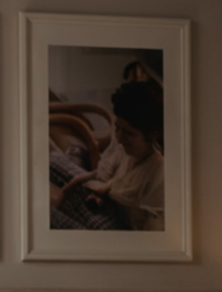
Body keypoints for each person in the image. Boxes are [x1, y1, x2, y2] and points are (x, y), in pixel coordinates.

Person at [52, 79, 164, 231]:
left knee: (50, 216)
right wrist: (75, 188)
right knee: (54, 160)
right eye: (117, 127)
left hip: (119, 231)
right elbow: (103, 175)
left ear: (153, 134)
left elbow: (152, 239)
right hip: (104, 203)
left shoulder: (158, 177)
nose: (118, 138)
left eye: (129, 133)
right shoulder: (122, 142)